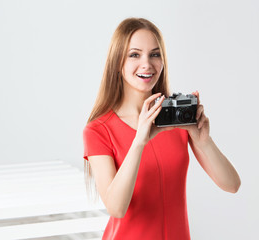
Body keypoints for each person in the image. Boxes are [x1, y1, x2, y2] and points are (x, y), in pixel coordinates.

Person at [82, 17, 241, 240]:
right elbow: (116, 208)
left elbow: (232, 184)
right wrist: (139, 142)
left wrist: (204, 140)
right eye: (134, 54)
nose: (147, 64)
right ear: (118, 62)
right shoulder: (98, 130)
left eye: (155, 54)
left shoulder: (175, 120)